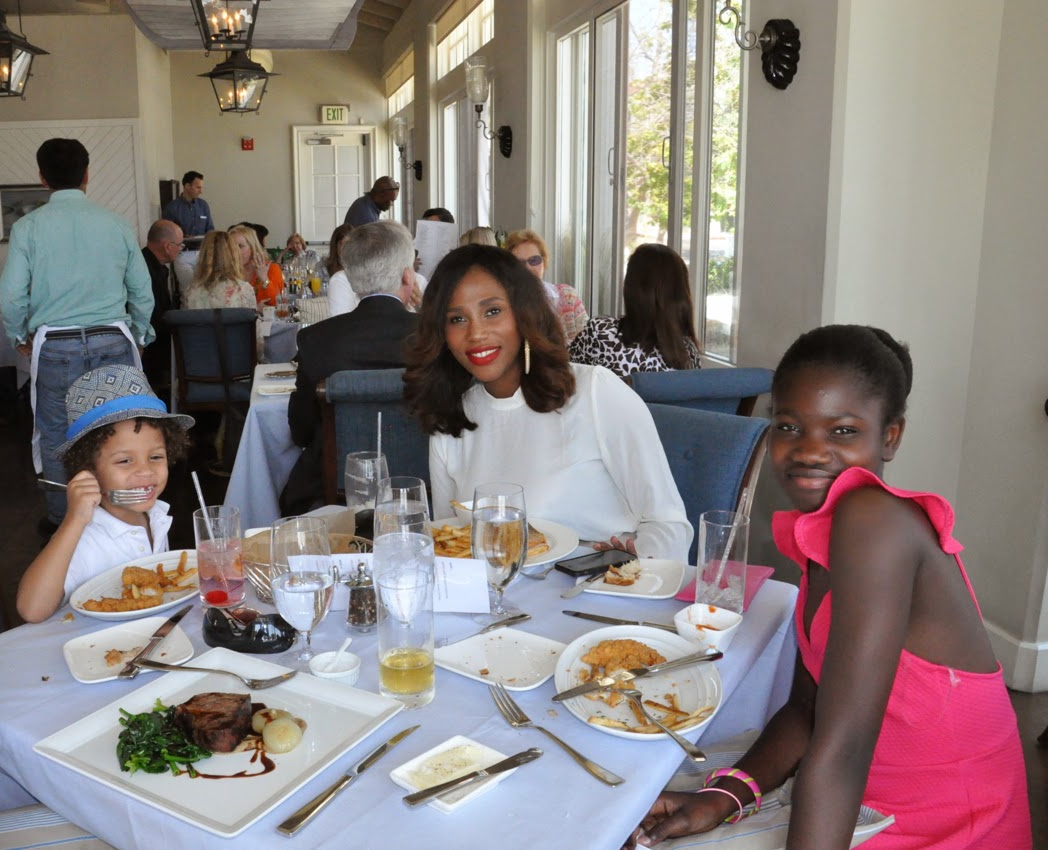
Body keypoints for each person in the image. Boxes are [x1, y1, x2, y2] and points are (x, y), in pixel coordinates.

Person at [626, 325, 1032, 850]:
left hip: (947, 824)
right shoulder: (824, 533)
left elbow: (843, 748)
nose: (810, 451)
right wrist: (722, 798)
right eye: (789, 426)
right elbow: (806, 709)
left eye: (841, 431)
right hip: (858, 802)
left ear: (890, 437)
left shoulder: (875, 522)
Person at [404, 244, 690, 556]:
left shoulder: (595, 392)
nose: (476, 333)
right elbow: (449, 548)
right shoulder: (450, 420)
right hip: (496, 588)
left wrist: (634, 567)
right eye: (457, 319)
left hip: (597, 582)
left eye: (493, 312)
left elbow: (669, 525)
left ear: (524, 313)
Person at [0, 138, 154, 530]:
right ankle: (121, 516)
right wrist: (140, 333)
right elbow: (142, 291)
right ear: (87, 174)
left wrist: (18, 336)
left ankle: (63, 522)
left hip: (55, 344)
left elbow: (11, 294)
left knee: (56, 436)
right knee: (119, 432)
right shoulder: (116, 224)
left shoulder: (28, 227)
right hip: (113, 338)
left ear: (42, 177)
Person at [15, 365, 192, 623]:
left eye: (155, 457)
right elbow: (31, 610)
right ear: (89, 470)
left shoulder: (156, 515)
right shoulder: (86, 537)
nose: (145, 471)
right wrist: (73, 521)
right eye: (124, 461)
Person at [280, 221, 420, 515]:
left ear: (352, 280)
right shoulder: (437, 336)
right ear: (408, 276)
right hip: (422, 486)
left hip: (332, 490)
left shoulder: (316, 339)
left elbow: (301, 431)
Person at [569, 242, 703, 378]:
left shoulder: (601, 333)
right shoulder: (689, 353)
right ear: (681, 294)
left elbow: (565, 371)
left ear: (632, 289)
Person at [504, 228, 589, 345]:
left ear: (544, 262)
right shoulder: (504, 303)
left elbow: (589, 340)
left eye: (534, 260)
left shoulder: (568, 296)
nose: (528, 268)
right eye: (519, 263)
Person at [140, 219, 184, 386]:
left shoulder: (147, 263)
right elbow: (154, 314)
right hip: (150, 348)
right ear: (167, 246)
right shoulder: (145, 270)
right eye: (180, 245)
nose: (181, 249)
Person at [181, 230, 255, 310]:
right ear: (233, 255)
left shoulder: (190, 292)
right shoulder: (243, 290)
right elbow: (251, 317)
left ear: (203, 255)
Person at [230, 224, 285, 307]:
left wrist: (264, 279)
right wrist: (254, 308)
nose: (235, 252)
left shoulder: (272, 269)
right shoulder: (228, 272)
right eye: (231, 247)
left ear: (253, 248)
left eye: (241, 246)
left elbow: (278, 305)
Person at [163, 170, 214, 238]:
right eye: (198, 187)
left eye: (201, 188)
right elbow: (167, 234)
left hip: (202, 244)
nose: (201, 191)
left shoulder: (203, 205)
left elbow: (210, 229)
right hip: (181, 244)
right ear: (187, 186)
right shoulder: (172, 208)